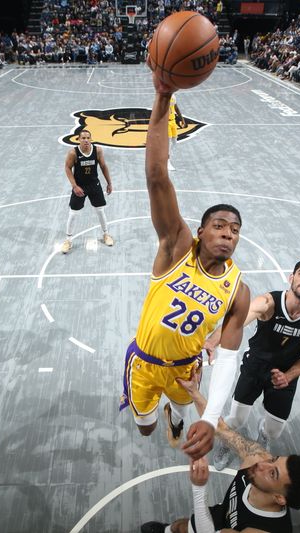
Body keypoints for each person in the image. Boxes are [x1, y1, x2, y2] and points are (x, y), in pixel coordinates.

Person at [119, 71, 250, 460]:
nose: (228, 234)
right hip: (143, 362)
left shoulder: (238, 290)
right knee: (145, 431)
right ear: (201, 230)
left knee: (178, 408)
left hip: (186, 368)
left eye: (235, 230)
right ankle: (156, 413)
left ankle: (176, 413)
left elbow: (228, 359)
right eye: (220, 226)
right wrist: (162, 97)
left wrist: (209, 416)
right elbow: (157, 176)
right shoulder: (177, 248)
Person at [140, 367, 300, 533]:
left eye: (272, 473)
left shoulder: (260, 530)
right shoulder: (258, 458)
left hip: (223, 528)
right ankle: (166, 531)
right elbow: (220, 428)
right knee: (182, 526)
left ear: (280, 498)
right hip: (223, 513)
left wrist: (199, 487)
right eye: (274, 460)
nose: (263, 465)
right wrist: (193, 391)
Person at [206, 260, 300, 470]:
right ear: (291, 278)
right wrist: (212, 341)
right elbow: (237, 321)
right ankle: (227, 442)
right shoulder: (268, 302)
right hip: (255, 367)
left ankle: (262, 436)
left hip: (285, 375)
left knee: (274, 432)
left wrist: (289, 376)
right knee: (236, 419)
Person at [60, 129, 114, 253]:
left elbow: (103, 166)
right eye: (83, 138)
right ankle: (68, 240)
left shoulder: (97, 150)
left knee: (100, 211)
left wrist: (109, 183)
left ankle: (106, 234)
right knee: (73, 213)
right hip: (80, 187)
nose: (85, 140)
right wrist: (74, 186)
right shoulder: (73, 153)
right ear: (78, 139)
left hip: (94, 185)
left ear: (91, 139)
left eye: (88, 138)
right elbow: (67, 168)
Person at [167, 94, 186, 172]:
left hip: (173, 121)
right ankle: (167, 162)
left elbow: (176, 108)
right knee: (169, 143)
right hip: (166, 122)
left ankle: (163, 154)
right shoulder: (163, 98)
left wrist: (182, 119)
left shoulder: (173, 96)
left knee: (174, 141)